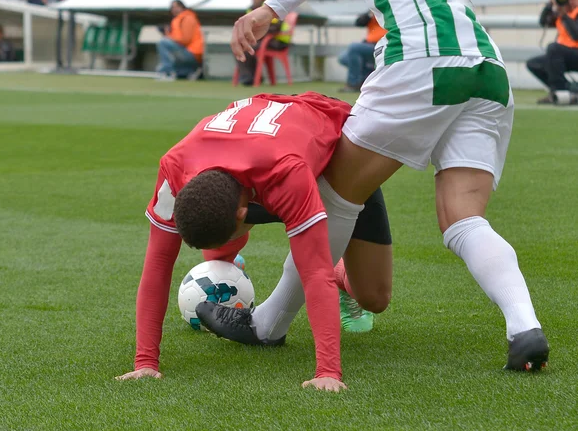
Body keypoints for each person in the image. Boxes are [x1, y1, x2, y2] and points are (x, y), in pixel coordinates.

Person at [224, 0, 548, 387]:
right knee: (463, 218)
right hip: (486, 70)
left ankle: (266, 325)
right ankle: (524, 327)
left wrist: (269, 9)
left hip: (422, 59)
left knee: (334, 196)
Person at [115, 91, 392, 390]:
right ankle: (236, 253)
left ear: (243, 215)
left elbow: (314, 273)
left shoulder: (287, 175)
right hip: (255, 159)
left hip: (336, 162)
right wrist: (145, 362)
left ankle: (343, 276)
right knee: (216, 251)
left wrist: (328, 371)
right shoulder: (174, 169)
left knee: (373, 297)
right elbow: (157, 265)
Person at [527, 0, 578, 105]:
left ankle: (560, 92)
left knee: (553, 48)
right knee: (534, 64)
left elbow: (576, 35)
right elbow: (543, 21)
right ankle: (568, 90)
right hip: (563, 56)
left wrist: (564, 15)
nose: (569, 2)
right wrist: (550, 4)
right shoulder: (561, 13)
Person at [235, 0, 291, 86]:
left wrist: (259, 30)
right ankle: (249, 77)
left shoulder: (270, 7)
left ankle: (252, 77)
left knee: (250, 47)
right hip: (262, 40)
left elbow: (276, 26)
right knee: (241, 46)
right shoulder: (250, 9)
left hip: (278, 40)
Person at [338, 12, 386, 93]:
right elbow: (359, 23)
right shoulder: (373, 11)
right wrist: (369, 15)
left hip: (382, 46)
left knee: (354, 47)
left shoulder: (389, 10)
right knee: (343, 58)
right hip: (368, 44)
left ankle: (353, 84)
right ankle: (364, 79)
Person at [156, 0, 203, 80]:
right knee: (180, 73)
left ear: (182, 7)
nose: (174, 9)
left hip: (193, 53)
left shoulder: (188, 18)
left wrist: (169, 37)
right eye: (172, 7)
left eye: (176, 7)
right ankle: (188, 72)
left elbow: (185, 40)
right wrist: (168, 33)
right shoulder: (177, 19)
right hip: (187, 52)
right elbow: (178, 37)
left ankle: (167, 72)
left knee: (163, 42)